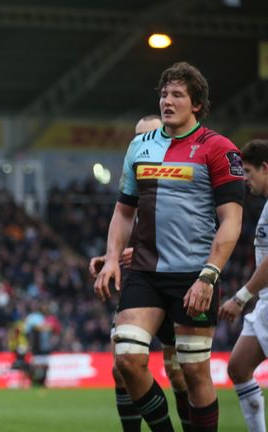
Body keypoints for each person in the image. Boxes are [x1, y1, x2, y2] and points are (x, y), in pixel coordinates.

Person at [94, 62, 245, 432]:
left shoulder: (218, 149)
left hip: (193, 276)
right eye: (164, 94)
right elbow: (123, 211)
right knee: (127, 359)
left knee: (193, 374)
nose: (167, 100)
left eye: (177, 94)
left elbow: (231, 221)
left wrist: (209, 276)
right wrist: (113, 257)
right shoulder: (140, 146)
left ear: (196, 104)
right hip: (145, 271)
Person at [89, 115, 193, 432]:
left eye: (146, 136)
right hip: (140, 285)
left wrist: (151, 251)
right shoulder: (134, 182)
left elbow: (194, 232)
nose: (141, 143)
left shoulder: (178, 185)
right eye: (136, 137)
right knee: (122, 367)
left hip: (175, 280)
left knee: (180, 373)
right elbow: (122, 222)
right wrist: (110, 257)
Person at [219, 139, 268, 432]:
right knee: (238, 367)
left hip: (261, 298)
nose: (245, 179)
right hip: (264, 302)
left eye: (248, 172)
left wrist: (241, 297)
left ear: (265, 168)